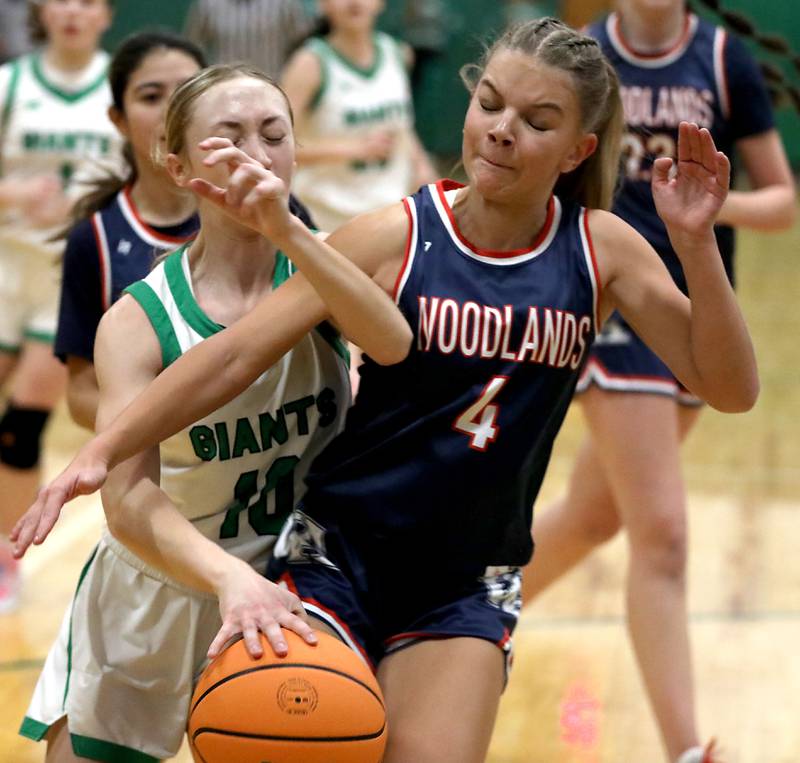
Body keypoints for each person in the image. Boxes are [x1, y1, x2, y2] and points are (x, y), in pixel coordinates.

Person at [13, 18, 759, 763]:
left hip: (467, 577)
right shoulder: (395, 234)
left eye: (536, 121)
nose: (502, 131)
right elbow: (237, 352)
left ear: (579, 149)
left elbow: (729, 388)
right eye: (490, 104)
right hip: (336, 555)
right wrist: (106, 447)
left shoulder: (602, 249)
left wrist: (695, 244)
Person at [17, 62, 412, 762]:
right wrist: (228, 576)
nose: (256, 157)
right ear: (176, 165)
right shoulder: (139, 321)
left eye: (274, 135)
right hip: (159, 587)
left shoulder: (322, 268)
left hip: (296, 584)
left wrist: (289, 231)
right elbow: (130, 499)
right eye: (228, 138)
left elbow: (390, 341)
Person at [519, 3, 796, 762]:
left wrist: (701, 212)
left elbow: (783, 200)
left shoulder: (720, 61)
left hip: (696, 313)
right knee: (664, 533)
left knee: (591, 516)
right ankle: (687, 751)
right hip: (609, 302)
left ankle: (465, 620)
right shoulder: (583, 58)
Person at [0, 0, 120, 612]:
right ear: (41, 13)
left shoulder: (122, 85)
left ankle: (6, 556)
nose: (73, 10)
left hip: (65, 274)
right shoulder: (10, 84)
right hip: (5, 267)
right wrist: (14, 191)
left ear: (106, 14)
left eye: (87, 1)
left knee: (21, 427)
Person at [55, 31, 206, 431]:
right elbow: (82, 394)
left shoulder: (264, 208)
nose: (172, 109)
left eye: (188, 91)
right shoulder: (95, 240)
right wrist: (173, 427)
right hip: (170, 472)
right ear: (117, 119)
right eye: (151, 96)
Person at [282, 0, 437, 233]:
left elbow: (402, 129)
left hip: (392, 214)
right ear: (322, 4)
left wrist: (425, 170)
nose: (354, 2)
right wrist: (352, 149)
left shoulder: (398, 53)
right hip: (327, 218)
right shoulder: (309, 63)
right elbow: (277, 147)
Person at [184, 0, 315, 80]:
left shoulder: (284, 3)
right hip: (224, 86)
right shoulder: (208, 3)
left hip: (273, 84)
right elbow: (193, 46)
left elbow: (300, 44)